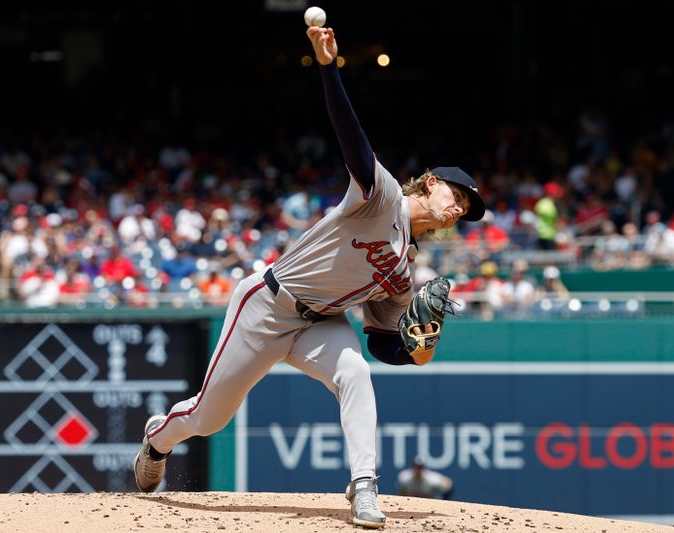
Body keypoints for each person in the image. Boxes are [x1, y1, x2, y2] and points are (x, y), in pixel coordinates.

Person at [132, 23, 486, 531]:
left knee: (356, 373)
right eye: (457, 196)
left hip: (320, 323)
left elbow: (383, 342)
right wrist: (328, 69)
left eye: (467, 209)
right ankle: (157, 440)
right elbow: (353, 141)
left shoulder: (406, 272)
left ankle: (364, 486)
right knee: (209, 418)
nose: (459, 208)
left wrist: (418, 350)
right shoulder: (381, 196)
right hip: (267, 305)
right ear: (430, 183)